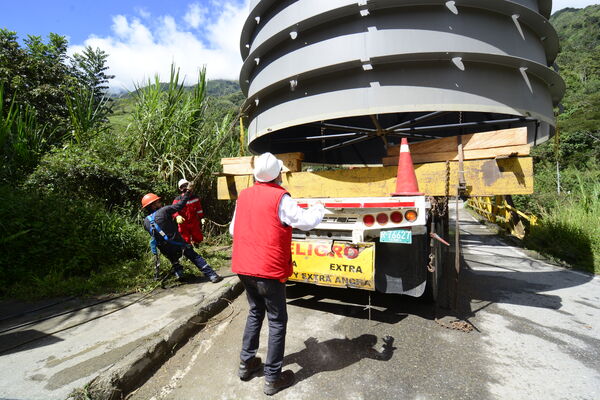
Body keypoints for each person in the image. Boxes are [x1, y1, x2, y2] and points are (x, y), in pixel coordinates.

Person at [229, 152, 325, 396]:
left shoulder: (244, 196)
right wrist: (319, 207)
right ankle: (272, 377)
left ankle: (246, 363)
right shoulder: (281, 197)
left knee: (254, 312)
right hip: (269, 271)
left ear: (255, 175)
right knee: (277, 321)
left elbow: (233, 230)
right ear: (278, 174)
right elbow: (306, 221)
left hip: (244, 267)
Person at [141, 184, 222, 283]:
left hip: (164, 248)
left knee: (174, 260)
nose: (160, 203)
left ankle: (180, 275)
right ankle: (212, 275)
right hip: (177, 243)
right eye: (158, 202)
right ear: (153, 205)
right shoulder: (164, 211)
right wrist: (188, 192)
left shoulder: (146, 221)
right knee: (193, 256)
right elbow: (180, 205)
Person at [173, 179, 205, 246]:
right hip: (183, 223)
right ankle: (187, 251)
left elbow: (199, 209)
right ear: (180, 189)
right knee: (185, 239)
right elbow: (173, 209)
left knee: (198, 237)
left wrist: (201, 217)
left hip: (193, 221)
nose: (185, 187)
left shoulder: (195, 198)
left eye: (186, 185)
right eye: (182, 186)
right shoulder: (177, 199)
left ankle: (197, 247)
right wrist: (177, 216)